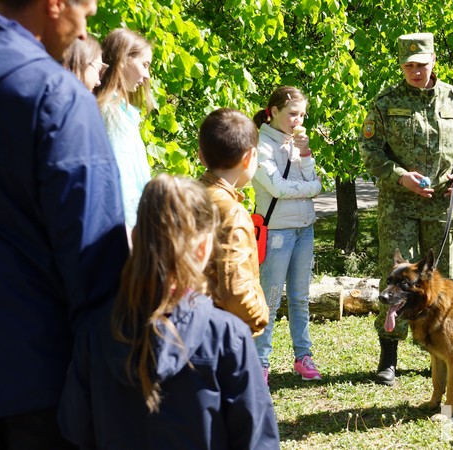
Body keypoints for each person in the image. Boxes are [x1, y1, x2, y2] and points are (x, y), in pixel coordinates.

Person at [0, 0, 129, 448]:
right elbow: (98, 271)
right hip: (34, 393)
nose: (85, 28)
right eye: (85, 12)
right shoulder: (58, 99)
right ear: (55, 5)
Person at [58, 174, 280, 448]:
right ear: (203, 249)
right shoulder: (227, 337)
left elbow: (74, 432)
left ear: (136, 239)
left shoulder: (96, 331)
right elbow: (258, 441)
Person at [358, 32, 453, 386]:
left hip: (443, 206)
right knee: (397, 281)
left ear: (433, 63)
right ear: (402, 65)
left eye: (422, 65)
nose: (415, 71)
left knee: (442, 283)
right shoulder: (385, 102)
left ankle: (443, 351)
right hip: (399, 207)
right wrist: (400, 177)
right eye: (409, 66)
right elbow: (370, 152)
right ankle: (389, 357)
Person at [252, 86, 323, 382]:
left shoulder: (298, 143)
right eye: (293, 113)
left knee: (300, 297)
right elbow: (280, 188)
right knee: (269, 298)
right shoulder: (260, 144)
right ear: (274, 112)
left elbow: (314, 177)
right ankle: (259, 363)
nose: (298, 120)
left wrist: (305, 153)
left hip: (304, 228)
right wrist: (311, 190)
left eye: (302, 114)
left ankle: (302, 357)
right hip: (278, 231)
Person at [198, 108, 270, 337]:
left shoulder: (185, 195)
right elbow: (235, 289)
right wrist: (259, 317)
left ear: (201, 155)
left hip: (188, 324)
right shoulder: (233, 213)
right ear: (249, 157)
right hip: (222, 335)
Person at [95, 27, 154, 230]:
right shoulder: (112, 114)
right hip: (123, 232)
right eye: (144, 64)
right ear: (123, 59)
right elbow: (123, 185)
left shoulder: (120, 113)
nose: (146, 75)